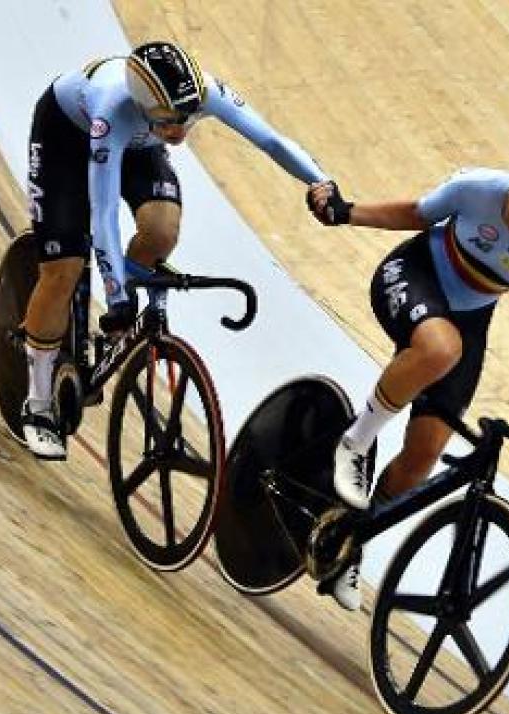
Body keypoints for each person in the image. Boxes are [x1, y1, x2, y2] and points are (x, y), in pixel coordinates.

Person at [306, 118, 509, 610]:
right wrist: (346, 212)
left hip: (469, 320)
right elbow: (415, 213)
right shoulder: (478, 189)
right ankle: (355, 443)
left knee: (424, 454)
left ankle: (348, 539)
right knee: (440, 349)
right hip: (412, 274)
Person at [20, 40, 333, 458]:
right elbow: (105, 209)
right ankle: (38, 403)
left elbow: (272, 142)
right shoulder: (112, 109)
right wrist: (117, 297)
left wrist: (320, 182)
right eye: (168, 121)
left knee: (162, 231)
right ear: (143, 103)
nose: (179, 131)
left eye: (187, 118)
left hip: (136, 145)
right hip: (66, 139)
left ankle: (111, 322)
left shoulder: (202, 93)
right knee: (63, 269)